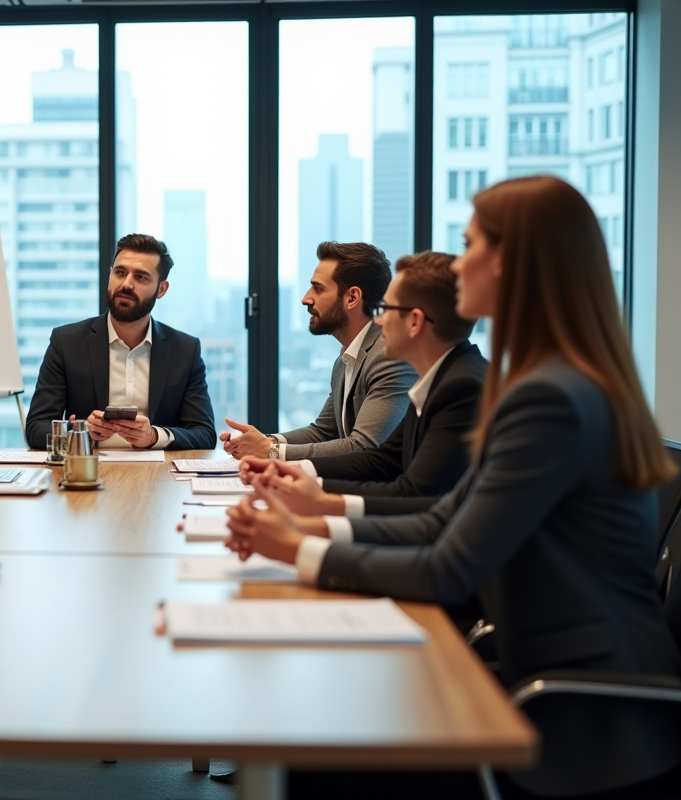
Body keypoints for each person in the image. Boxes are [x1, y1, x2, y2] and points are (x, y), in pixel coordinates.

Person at [225, 176, 681, 798]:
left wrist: (300, 550)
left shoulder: (547, 396)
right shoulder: (546, 379)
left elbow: (448, 566)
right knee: (322, 727)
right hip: (540, 673)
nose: (459, 261)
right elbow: (444, 518)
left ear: (513, 262)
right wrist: (310, 526)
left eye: (470, 244)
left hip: (577, 715)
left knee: (323, 744)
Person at [237, 251, 487, 517]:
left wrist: (317, 501)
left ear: (415, 321)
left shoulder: (461, 387)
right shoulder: (440, 378)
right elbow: (382, 460)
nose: (378, 320)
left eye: (387, 309)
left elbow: (414, 493)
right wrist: (286, 469)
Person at [222, 241, 417, 460]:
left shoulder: (389, 356)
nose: (306, 298)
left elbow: (364, 447)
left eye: (318, 288)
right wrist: (264, 441)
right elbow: (323, 432)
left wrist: (270, 451)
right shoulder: (345, 361)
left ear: (352, 298)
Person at [24, 233, 217, 450]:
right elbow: (35, 428)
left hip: (158, 477)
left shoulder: (185, 350)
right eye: (120, 273)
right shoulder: (67, 343)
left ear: (161, 289)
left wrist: (154, 436)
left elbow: (205, 434)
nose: (126, 284)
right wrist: (83, 432)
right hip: (87, 473)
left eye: (141, 277)